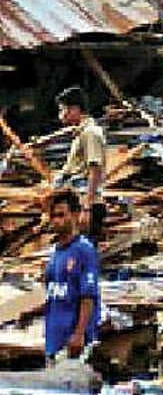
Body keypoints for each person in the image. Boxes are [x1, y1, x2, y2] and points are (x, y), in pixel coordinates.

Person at [43, 188, 101, 361]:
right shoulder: (55, 254)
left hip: (73, 343)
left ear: (75, 215)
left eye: (61, 215)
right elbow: (54, 293)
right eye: (53, 216)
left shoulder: (83, 250)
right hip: (54, 340)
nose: (56, 221)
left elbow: (88, 296)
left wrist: (79, 334)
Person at [55, 86, 106, 240]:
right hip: (78, 202)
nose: (61, 115)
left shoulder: (91, 132)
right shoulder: (80, 133)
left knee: (84, 253)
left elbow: (94, 170)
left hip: (87, 203)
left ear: (75, 109)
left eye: (62, 109)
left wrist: (86, 208)